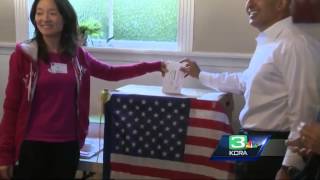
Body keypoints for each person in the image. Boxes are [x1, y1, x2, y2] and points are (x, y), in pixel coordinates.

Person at [0, 0, 167, 179]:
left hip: (68, 145)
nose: (44, 18)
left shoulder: (78, 56)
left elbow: (112, 72)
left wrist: (154, 66)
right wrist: (4, 155)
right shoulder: (23, 55)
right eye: (39, 13)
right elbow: (11, 108)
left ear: (66, 17)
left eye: (52, 13)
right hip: (30, 145)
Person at [181, 0, 320, 179]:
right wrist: (199, 74)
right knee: (213, 155)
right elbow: (244, 81)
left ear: (281, 3)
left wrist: (288, 168)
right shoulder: (269, 42)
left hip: (273, 146)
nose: (249, 4)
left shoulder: (295, 44)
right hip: (248, 138)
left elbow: (305, 111)